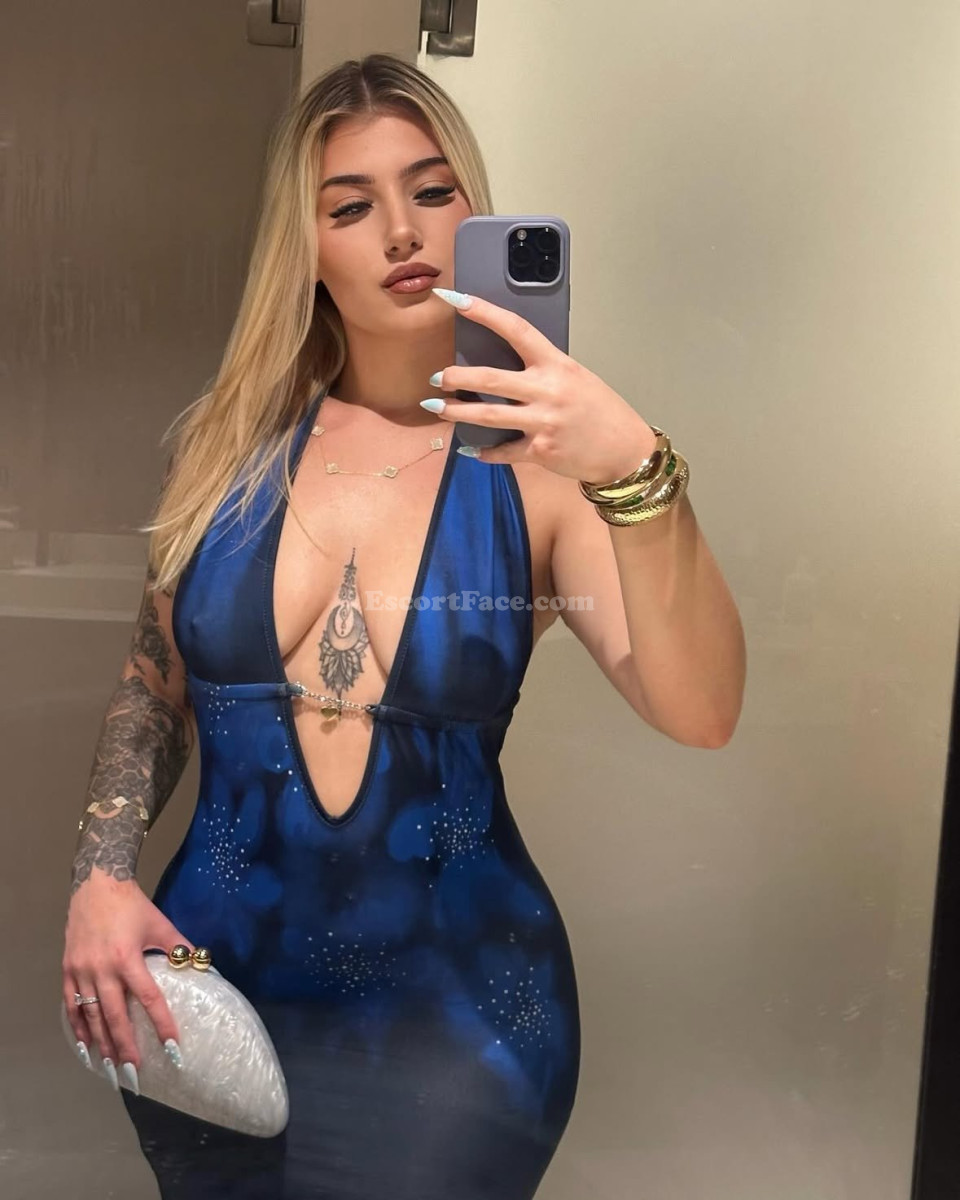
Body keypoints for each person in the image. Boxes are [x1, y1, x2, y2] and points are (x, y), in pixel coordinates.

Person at [60, 52, 744, 1200]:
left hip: (464, 1019)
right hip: (216, 994)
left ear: (474, 213)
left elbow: (702, 710)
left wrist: (637, 471)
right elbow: (152, 688)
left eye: (432, 191)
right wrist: (98, 876)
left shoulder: (542, 473)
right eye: (350, 206)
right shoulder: (222, 452)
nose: (400, 231)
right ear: (305, 248)